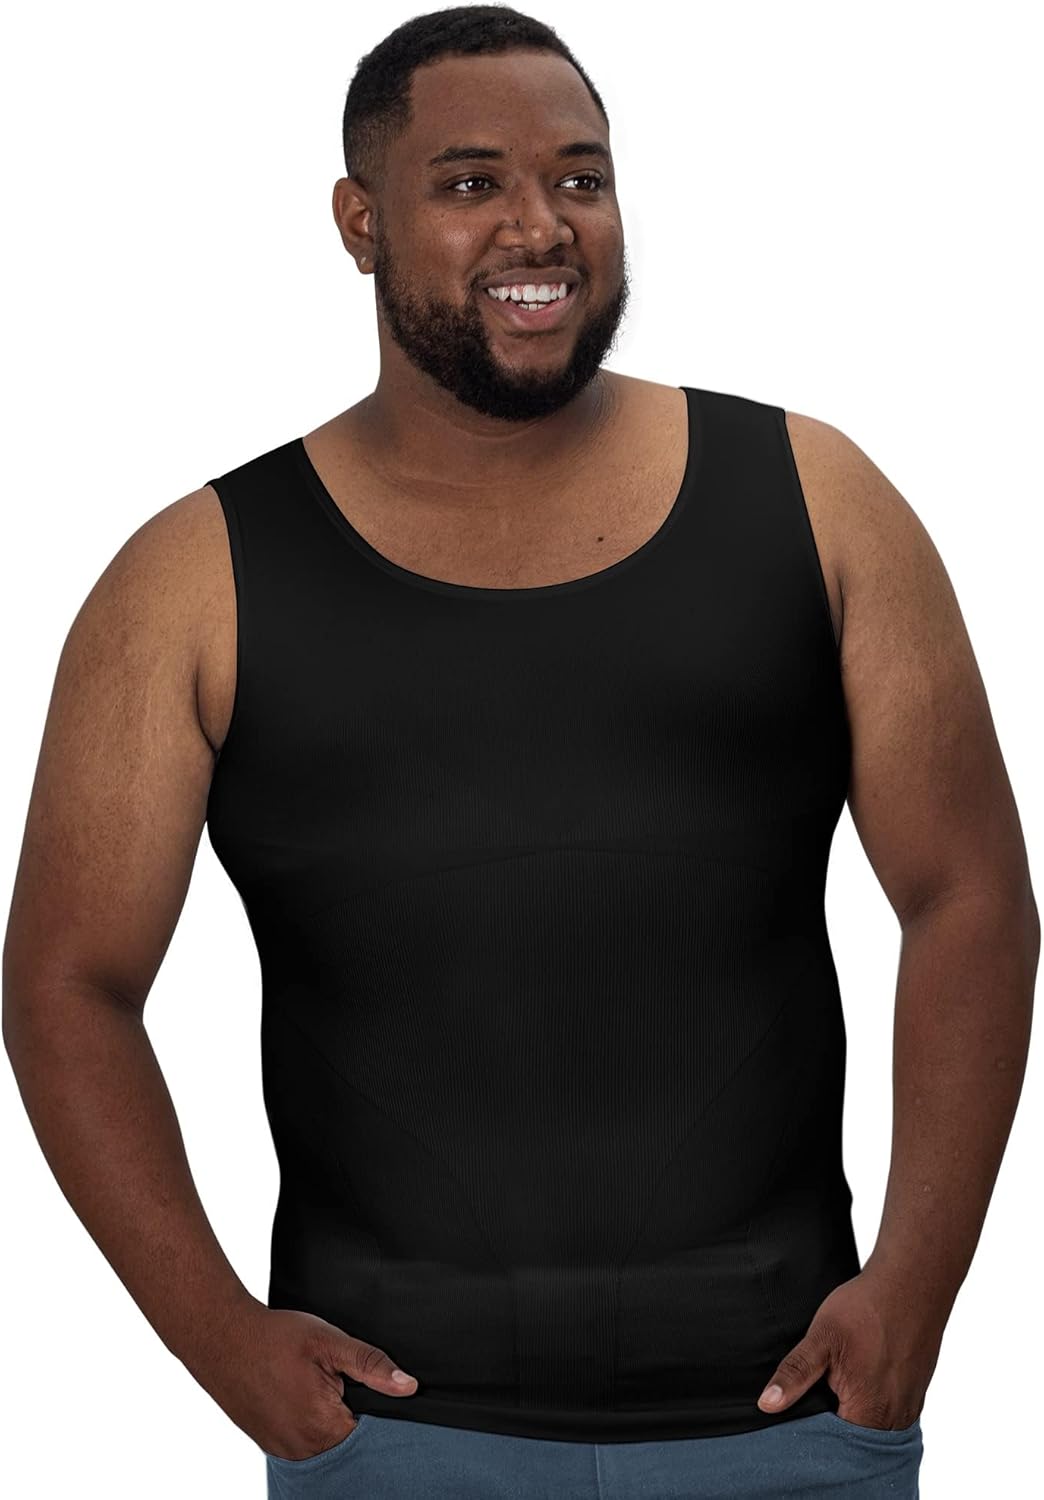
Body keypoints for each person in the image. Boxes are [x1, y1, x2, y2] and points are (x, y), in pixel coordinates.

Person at [3, 7, 1037, 1498]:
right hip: (396, 1437)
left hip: (794, 1422)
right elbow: (65, 985)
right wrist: (221, 1343)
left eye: (580, 178)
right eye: (472, 182)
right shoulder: (189, 581)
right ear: (360, 222)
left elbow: (972, 896)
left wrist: (917, 1290)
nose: (540, 226)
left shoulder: (819, 500)